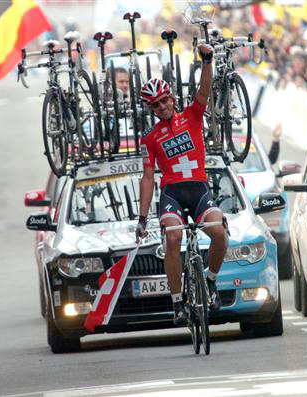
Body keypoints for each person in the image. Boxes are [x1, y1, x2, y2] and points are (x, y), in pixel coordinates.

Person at [136, 44, 228, 325]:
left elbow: (204, 88)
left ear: (172, 98)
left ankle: (210, 282)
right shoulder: (149, 138)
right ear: (150, 108)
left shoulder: (192, 115)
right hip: (172, 194)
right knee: (173, 239)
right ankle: (177, 302)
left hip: (198, 188)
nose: (162, 106)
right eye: (156, 104)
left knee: (218, 231)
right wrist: (141, 219)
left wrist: (208, 60)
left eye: (165, 100)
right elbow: (149, 177)